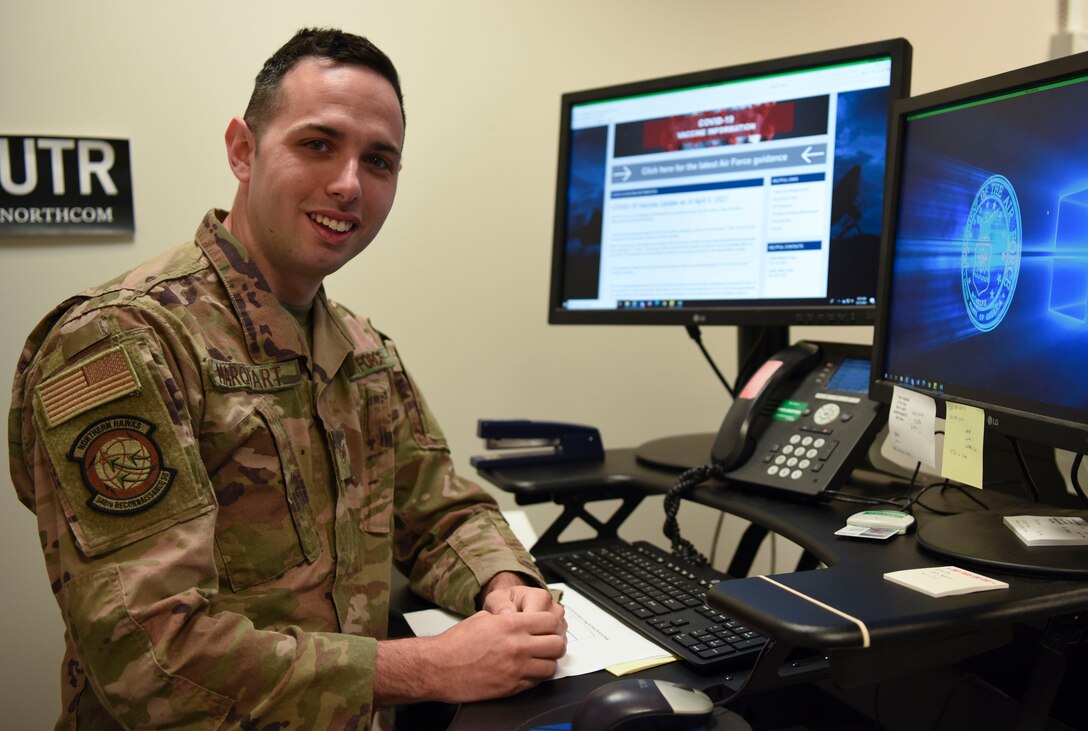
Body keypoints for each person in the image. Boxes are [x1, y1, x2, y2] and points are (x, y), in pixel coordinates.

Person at [8, 27, 566, 729]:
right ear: (243, 150)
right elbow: (151, 654)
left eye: (380, 160)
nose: (348, 184)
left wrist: (503, 582)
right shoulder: (125, 342)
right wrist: (432, 667)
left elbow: (438, 509)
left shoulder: (363, 351)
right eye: (317, 144)